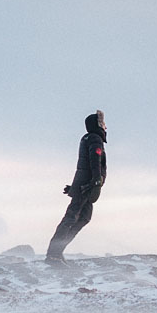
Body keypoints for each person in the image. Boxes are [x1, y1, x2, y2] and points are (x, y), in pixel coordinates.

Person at [45, 111, 106, 264]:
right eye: (103, 124)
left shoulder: (87, 138)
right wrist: (96, 180)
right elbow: (94, 159)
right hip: (87, 186)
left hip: (83, 185)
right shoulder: (94, 138)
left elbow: (84, 165)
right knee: (71, 217)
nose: (105, 127)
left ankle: (58, 252)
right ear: (97, 125)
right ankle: (53, 255)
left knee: (84, 218)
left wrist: (75, 185)